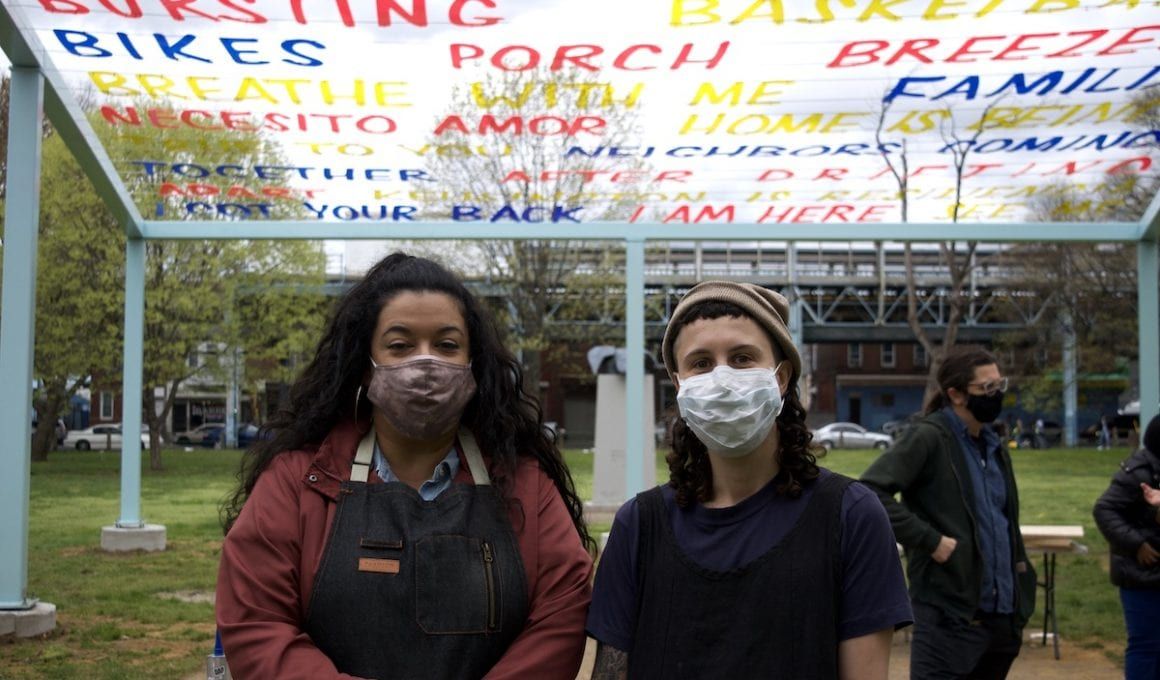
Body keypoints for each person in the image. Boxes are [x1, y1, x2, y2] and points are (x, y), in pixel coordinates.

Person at [216, 253, 594, 679]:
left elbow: (561, 618)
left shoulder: (525, 484)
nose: (426, 363)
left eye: (447, 345)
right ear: (364, 365)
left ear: (474, 364)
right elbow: (258, 623)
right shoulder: (296, 481)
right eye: (400, 346)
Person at [587, 282, 912, 680]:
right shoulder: (639, 525)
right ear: (679, 384)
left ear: (781, 376)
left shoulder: (851, 517)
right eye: (701, 363)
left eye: (742, 358)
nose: (722, 379)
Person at [861, 347, 1037, 680]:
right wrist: (930, 541)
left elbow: (1002, 521)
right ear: (955, 394)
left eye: (1000, 385)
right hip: (949, 614)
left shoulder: (994, 446)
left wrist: (1021, 589)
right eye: (987, 389)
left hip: (1001, 618)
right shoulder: (929, 437)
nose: (996, 394)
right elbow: (871, 491)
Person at [1093, 414, 1160, 679]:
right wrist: (1136, 543)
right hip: (1141, 574)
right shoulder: (1138, 472)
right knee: (1145, 645)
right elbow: (1104, 509)